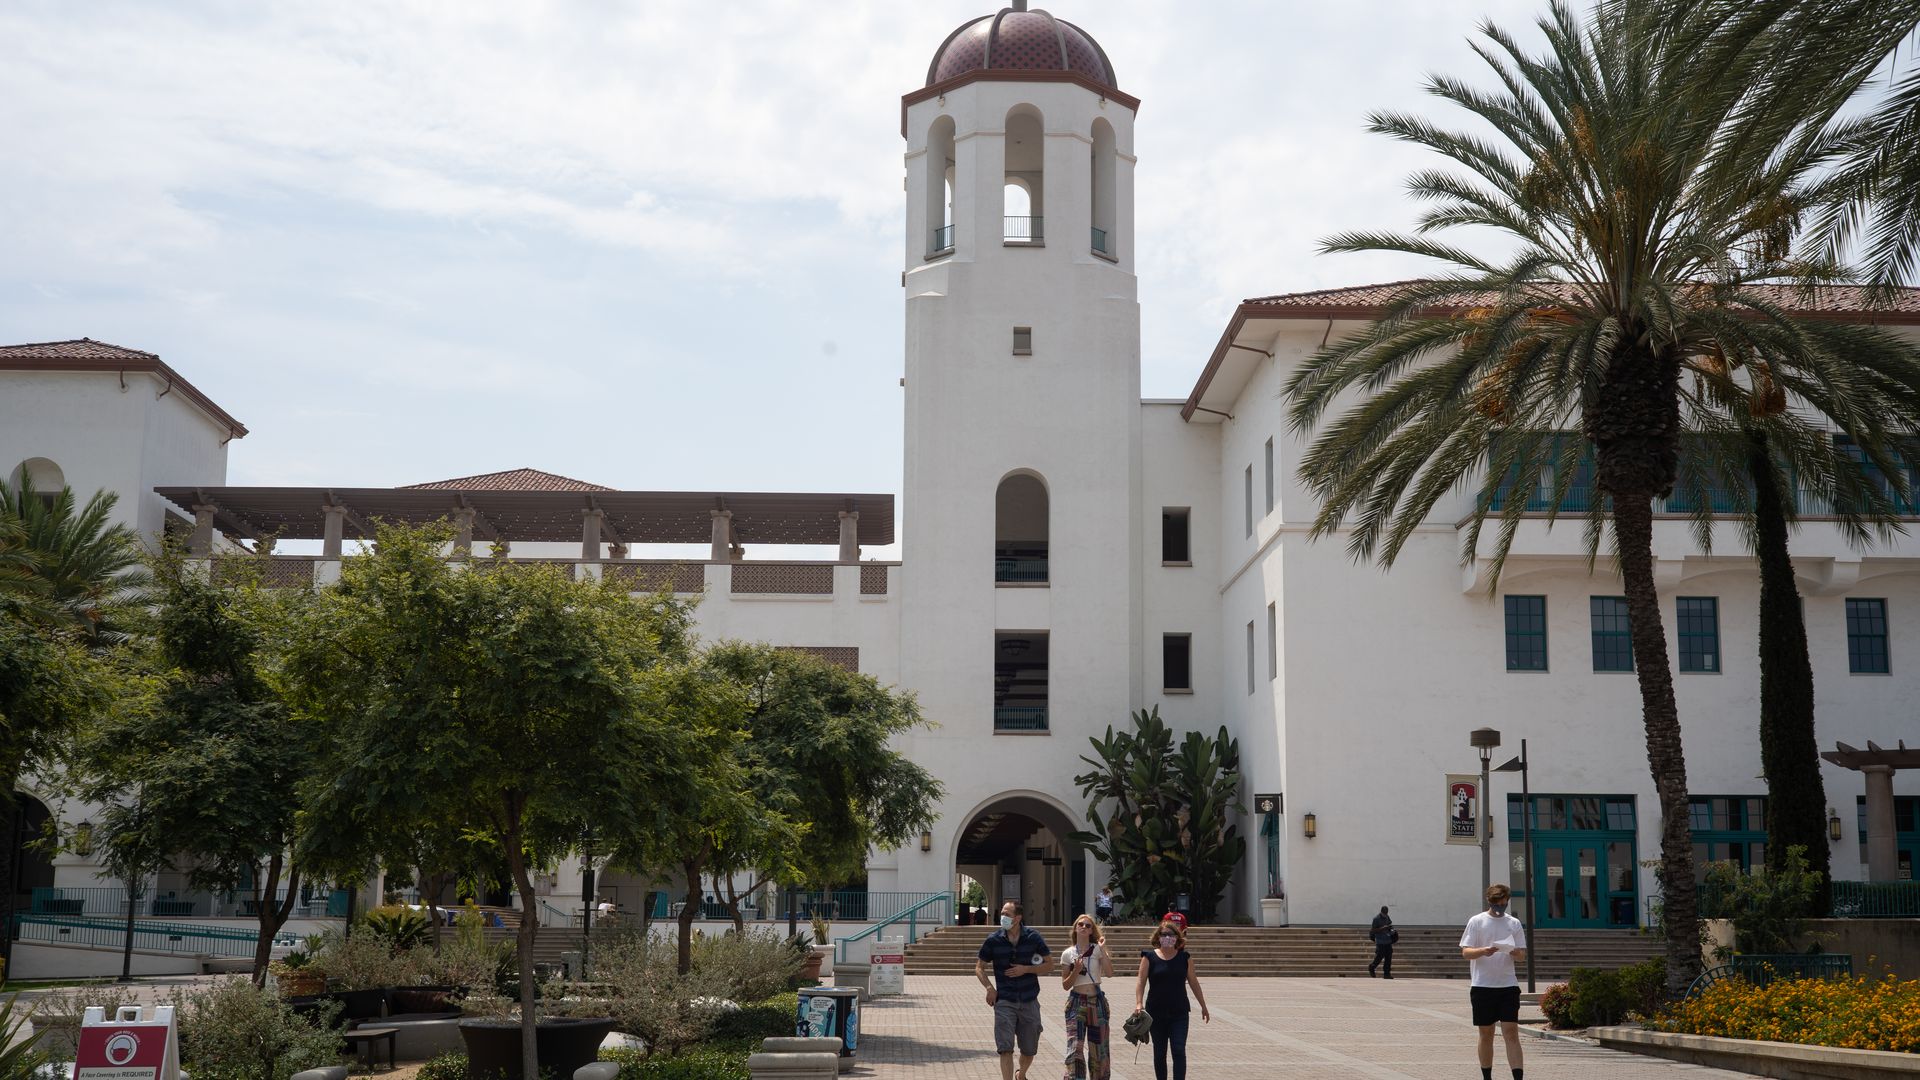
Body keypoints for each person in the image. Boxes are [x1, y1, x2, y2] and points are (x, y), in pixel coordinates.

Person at [1460, 884, 1529, 1080]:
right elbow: (1465, 952)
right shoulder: (1477, 921)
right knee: (1486, 1032)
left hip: (1508, 985)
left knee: (1511, 1031)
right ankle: (1487, 1076)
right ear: (1489, 902)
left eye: (1503, 903)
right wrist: (1483, 950)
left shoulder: (1513, 923)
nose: (1500, 907)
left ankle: (1517, 1077)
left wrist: (1512, 950)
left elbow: (1521, 956)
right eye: (1496, 904)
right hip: (1482, 985)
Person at [977, 899, 1050, 1080]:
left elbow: (1050, 965)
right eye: (1002, 914)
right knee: (1005, 1048)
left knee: (1029, 1050)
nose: (1003, 917)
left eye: (1007, 914)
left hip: (1029, 1000)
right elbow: (979, 967)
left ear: (1017, 918)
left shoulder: (1033, 937)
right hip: (1004, 1001)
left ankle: (1021, 1074)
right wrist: (989, 988)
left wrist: (1025, 969)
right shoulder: (993, 940)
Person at [1133, 918, 1209, 1080]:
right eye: (1164, 934)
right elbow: (1140, 981)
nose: (1167, 937)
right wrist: (1139, 1003)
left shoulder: (1184, 958)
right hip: (1156, 1013)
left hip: (1179, 1012)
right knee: (1160, 1051)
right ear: (1158, 937)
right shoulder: (1149, 957)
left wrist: (1203, 1005)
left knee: (1178, 1049)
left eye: (1171, 934)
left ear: (1177, 937)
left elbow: (1194, 982)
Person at [1059, 913, 1113, 1080]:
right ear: (1075, 928)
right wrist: (1075, 970)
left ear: (1091, 931)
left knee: (1099, 1049)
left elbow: (1110, 973)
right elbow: (1065, 985)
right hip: (1077, 1001)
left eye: (1088, 926)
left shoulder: (1097, 949)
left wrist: (1103, 949)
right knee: (1075, 1047)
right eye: (1080, 924)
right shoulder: (1068, 953)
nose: (1084, 927)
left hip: (1096, 1002)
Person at [1369, 905, 1396, 978]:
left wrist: (1392, 930)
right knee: (1379, 957)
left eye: (1386, 913)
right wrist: (1383, 928)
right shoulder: (1376, 919)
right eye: (1384, 914)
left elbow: (1390, 924)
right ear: (1381, 912)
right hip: (1380, 941)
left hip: (1388, 940)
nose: (1385, 915)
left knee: (1388, 957)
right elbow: (1373, 930)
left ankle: (1387, 974)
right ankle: (1372, 967)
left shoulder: (1387, 917)